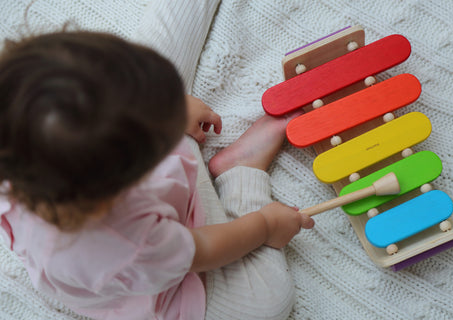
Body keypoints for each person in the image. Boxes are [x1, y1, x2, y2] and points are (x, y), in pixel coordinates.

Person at [0, 29, 314, 320]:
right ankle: (241, 173)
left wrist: (175, 110)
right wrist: (265, 225)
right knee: (271, 303)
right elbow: (203, 249)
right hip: (171, 275)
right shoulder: (127, 242)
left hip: (144, 202)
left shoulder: (21, 145)